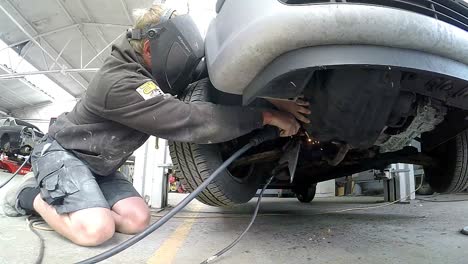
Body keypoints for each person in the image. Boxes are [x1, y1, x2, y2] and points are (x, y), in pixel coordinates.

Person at [2, 5, 310, 247]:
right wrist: (265, 117)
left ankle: (78, 200)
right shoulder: (119, 82)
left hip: (100, 166)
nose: (182, 66)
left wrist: (273, 100)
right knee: (96, 231)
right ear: (149, 49)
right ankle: (30, 197)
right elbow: (189, 120)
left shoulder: (151, 73)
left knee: (137, 220)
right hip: (65, 154)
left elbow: (203, 76)